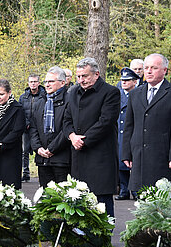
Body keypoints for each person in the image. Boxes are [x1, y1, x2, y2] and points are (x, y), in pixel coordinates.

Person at [63, 57, 119, 217]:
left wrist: (83, 140)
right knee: (80, 199)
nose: (81, 80)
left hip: (100, 155)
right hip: (78, 154)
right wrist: (72, 136)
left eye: (85, 76)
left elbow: (106, 122)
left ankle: (104, 238)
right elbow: (67, 119)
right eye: (78, 76)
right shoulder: (73, 92)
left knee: (101, 201)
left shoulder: (110, 92)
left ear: (96, 74)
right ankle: (82, 238)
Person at [122, 53, 171, 192]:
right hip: (139, 157)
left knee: (162, 203)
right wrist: (126, 153)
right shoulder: (135, 93)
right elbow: (129, 126)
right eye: (146, 68)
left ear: (164, 70)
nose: (148, 71)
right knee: (141, 202)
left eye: (154, 68)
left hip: (162, 157)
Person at [29, 67, 70, 187]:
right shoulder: (41, 101)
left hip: (61, 159)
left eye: (51, 81)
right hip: (43, 159)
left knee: (62, 199)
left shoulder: (69, 101)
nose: (47, 84)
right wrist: (38, 148)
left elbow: (67, 128)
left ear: (62, 82)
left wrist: (52, 148)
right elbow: (33, 127)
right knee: (46, 198)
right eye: (46, 82)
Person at [115, 67, 140, 200]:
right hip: (120, 132)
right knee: (121, 162)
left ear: (135, 82)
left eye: (127, 80)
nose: (124, 82)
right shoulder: (117, 95)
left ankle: (135, 190)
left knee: (135, 162)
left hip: (134, 132)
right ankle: (124, 190)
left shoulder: (139, 94)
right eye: (122, 80)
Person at [18, 74, 47, 182]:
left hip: (40, 128)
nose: (33, 84)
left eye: (35, 81)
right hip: (27, 128)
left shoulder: (44, 96)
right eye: (31, 82)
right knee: (24, 151)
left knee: (40, 150)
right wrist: (26, 123)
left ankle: (42, 173)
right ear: (28, 83)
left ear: (39, 83)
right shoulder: (23, 97)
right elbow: (20, 112)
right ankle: (25, 173)